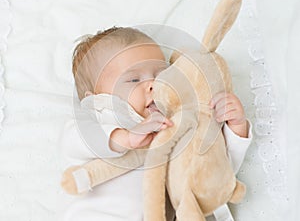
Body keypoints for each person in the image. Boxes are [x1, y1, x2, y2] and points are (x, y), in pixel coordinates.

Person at [61, 26, 252, 221]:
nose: (153, 84)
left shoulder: (176, 125)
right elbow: (74, 139)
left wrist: (235, 128)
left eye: (161, 76)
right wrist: (124, 137)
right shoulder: (101, 116)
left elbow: (210, 171)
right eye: (134, 79)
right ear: (96, 98)